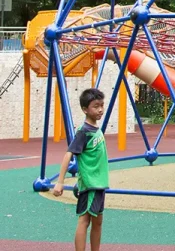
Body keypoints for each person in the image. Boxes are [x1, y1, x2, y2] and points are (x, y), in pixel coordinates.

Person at [53, 88, 109, 251]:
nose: (100, 110)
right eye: (95, 106)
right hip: (90, 183)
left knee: (98, 221)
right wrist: (60, 182)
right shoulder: (84, 132)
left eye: (101, 105)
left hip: (99, 183)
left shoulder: (95, 130)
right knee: (84, 220)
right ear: (85, 109)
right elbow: (68, 154)